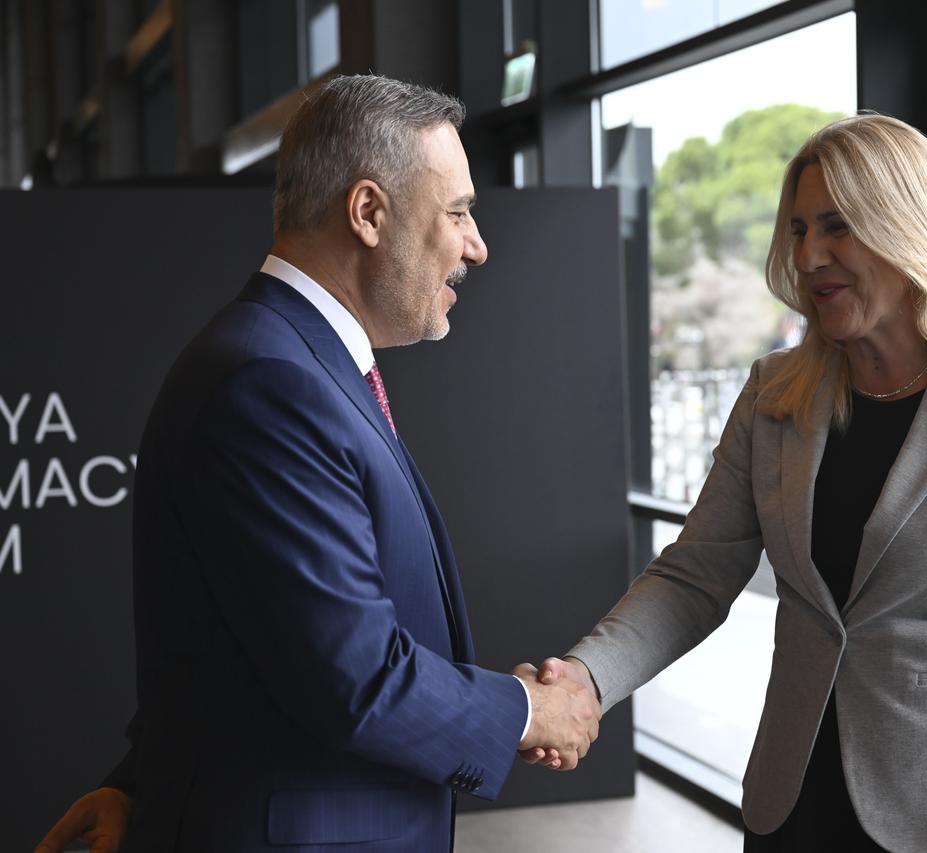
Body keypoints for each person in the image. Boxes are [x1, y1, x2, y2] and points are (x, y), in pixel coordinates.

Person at [529, 114, 927, 852]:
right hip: (794, 810)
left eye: (838, 226)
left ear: (909, 227)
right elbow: (694, 576)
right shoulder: (775, 395)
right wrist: (585, 678)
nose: (809, 255)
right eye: (799, 230)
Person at [36, 74, 599, 853]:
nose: (476, 245)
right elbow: (353, 673)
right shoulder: (270, 381)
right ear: (367, 212)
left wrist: (142, 782)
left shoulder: (293, 362)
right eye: (458, 212)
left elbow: (241, 640)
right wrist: (529, 711)